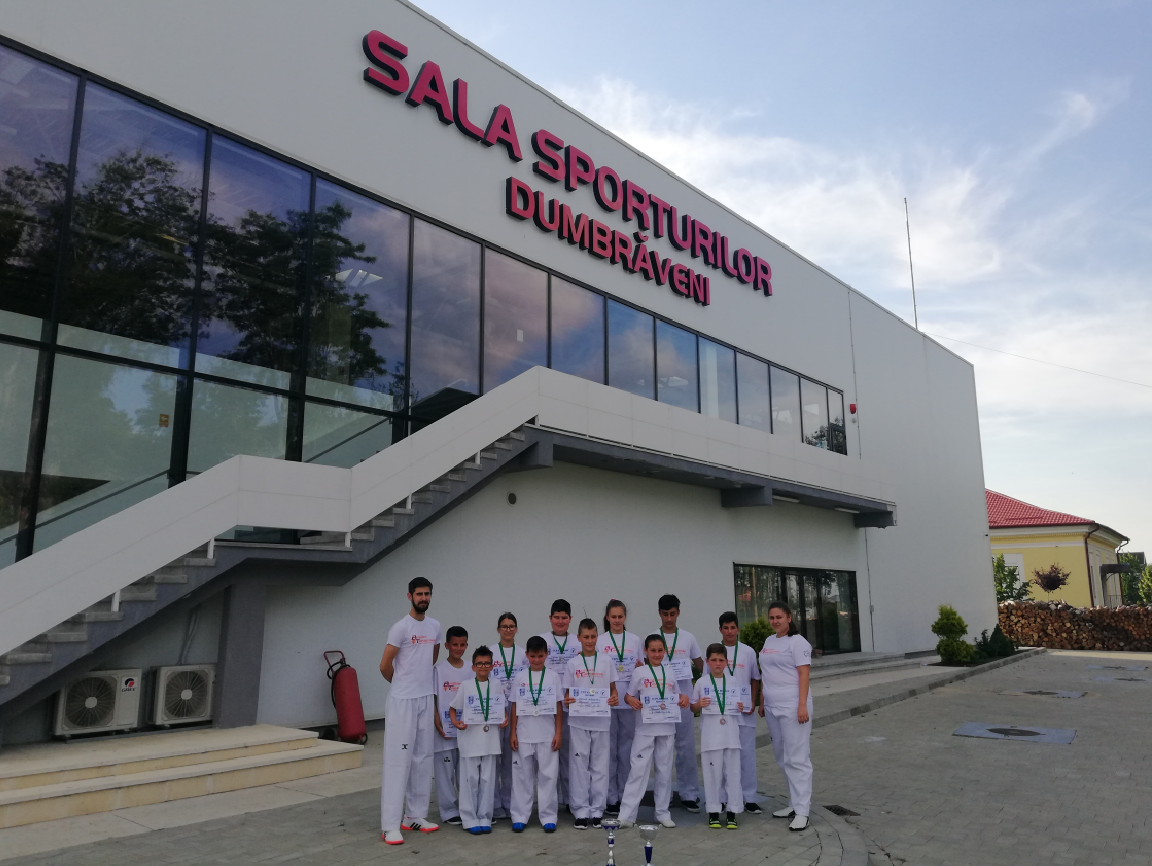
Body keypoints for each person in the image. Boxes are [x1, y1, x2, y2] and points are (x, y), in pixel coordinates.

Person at [379, 577, 442, 845]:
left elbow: (432, 657)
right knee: (398, 760)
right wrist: (402, 685)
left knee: (423, 757)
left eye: (427, 593)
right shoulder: (400, 628)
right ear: (410, 596)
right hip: (402, 702)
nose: (423, 598)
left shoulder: (435, 626)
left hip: (425, 698)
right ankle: (390, 825)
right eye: (419, 594)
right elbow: (385, 666)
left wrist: (419, 684)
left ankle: (414, 816)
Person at [617, 634, 687, 829]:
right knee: (637, 771)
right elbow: (628, 696)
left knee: (664, 771)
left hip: (667, 728)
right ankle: (627, 815)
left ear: (665, 651)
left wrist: (683, 699)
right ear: (646, 651)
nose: (657, 654)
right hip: (644, 729)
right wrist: (631, 700)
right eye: (653, 650)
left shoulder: (670, 672)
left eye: (660, 650)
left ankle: (662, 813)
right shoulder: (639, 672)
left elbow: (677, 695)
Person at [758, 601, 813, 832]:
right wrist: (762, 701)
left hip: (793, 706)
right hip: (772, 706)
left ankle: (802, 811)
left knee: (797, 758)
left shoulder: (798, 642)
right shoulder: (769, 641)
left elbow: (803, 674)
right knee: (782, 757)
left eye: (779, 617)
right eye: (771, 617)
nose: (775, 621)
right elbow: (766, 674)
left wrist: (802, 706)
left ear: (789, 617)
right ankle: (793, 803)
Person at [563, 618, 619, 829]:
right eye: (585, 637)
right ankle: (580, 810)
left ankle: (597, 810)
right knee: (579, 765)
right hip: (579, 722)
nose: (589, 640)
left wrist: (614, 697)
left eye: (593, 636)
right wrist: (567, 700)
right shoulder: (572, 663)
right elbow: (567, 694)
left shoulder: (606, 661)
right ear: (578, 637)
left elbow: (613, 690)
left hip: (601, 721)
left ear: (597, 637)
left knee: (600, 766)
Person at [449, 646, 508, 834]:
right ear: (473, 666)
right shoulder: (466, 685)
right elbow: (453, 708)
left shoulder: (496, 684)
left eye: (486, 663)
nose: (483, 666)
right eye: (479, 663)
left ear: (492, 665)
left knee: (488, 781)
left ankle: (485, 817)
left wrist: (505, 719)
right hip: (470, 740)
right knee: (470, 780)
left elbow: (502, 708)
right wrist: (456, 722)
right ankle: (469, 818)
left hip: (490, 740)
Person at [509, 635, 564, 833]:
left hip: (547, 733)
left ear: (546, 654)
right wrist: (513, 733)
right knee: (521, 777)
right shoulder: (520, 677)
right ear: (527, 655)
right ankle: (520, 816)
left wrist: (558, 732)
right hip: (524, 734)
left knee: (548, 776)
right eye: (533, 656)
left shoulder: (553, 677)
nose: (537, 660)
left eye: (540, 656)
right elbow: (514, 706)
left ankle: (548, 816)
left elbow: (558, 706)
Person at [656, 593, 703, 813]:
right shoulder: (653, 638)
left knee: (686, 747)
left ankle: (689, 793)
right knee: (661, 748)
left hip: (684, 699)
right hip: (660, 701)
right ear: (659, 613)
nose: (669, 619)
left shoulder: (688, 638)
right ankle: (662, 795)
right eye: (665, 614)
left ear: (678, 613)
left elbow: (701, 666)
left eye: (672, 614)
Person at [691, 643, 744, 830]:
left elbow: (739, 705)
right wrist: (699, 704)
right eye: (714, 660)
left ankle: (732, 811)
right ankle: (713, 811)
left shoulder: (733, 681)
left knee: (733, 774)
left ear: (726, 662)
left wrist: (739, 707)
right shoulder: (702, 682)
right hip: (711, 736)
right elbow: (692, 707)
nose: (717, 663)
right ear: (707, 661)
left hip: (731, 735)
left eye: (721, 660)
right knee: (712, 775)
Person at [718, 611, 763, 814]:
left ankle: (749, 797)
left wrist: (752, 701)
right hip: (722, 713)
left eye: (733, 628)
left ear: (738, 628)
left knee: (747, 755)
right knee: (722, 756)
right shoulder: (715, 651)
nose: (729, 632)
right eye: (725, 628)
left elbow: (755, 678)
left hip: (744, 711)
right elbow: (707, 681)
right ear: (720, 629)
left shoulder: (747, 651)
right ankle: (722, 798)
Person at [600, 599, 642, 814]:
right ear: (607, 617)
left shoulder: (635, 640)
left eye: (620, 617)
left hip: (629, 701)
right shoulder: (600, 641)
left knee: (627, 750)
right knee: (608, 750)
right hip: (608, 701)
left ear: (625, 617)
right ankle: (610, 796)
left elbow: (642, 669)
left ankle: (626, 794)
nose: (617, 620)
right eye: (613, 617)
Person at [538, 599, 579, 808]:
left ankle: (571, 799)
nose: (560, 621)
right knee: (550, 752)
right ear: (550, 618)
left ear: (570, 619)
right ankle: (551, 800)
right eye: (557, 617)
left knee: (571, 754)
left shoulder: (577, 641)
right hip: (548, 705)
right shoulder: (542, 640)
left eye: (564, 617)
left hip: (573, 704)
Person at [491, 612, 527, 821]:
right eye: (504, 626)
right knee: (494, 758)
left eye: (511, 626)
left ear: (516, 629)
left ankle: (509, 801)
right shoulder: (491, 652)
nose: (508, 629)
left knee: (511, 760)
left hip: (516, 709)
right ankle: (495, 803)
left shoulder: (523, 654)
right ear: (498, 629)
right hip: (494, 710)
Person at [432, 626, 469, 826]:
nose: (458, 648)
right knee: (445, 772)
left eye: (462, 645)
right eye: (454, 644)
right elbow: (433, 697)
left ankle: (467, 807)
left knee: (465, 771)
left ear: (467, 645)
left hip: (466, 729)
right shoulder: (438, 670)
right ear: (446, 645)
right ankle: (448, 811)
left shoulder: (471, 668)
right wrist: (436, 719)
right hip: (444, 730)